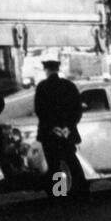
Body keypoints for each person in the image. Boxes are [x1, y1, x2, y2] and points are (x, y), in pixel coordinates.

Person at [33, 58, 85, 196]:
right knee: (71, 160)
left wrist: (53, 128)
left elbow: (40, 111)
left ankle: (60, 192)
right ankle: (81, 189)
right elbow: (77, 109)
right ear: (58, 69)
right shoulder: (69, 86)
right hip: (68, 132)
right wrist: (68, 127)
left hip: (50, 133)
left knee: (55, 164)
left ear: (46, 70)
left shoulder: (42, 87)